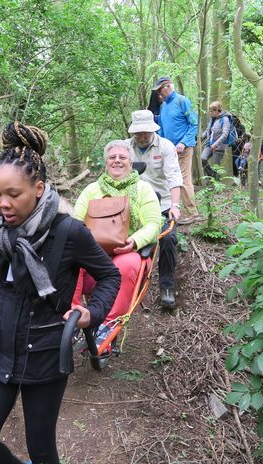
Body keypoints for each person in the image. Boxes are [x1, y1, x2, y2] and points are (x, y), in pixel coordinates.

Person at [0, 122, 121, 464]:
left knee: (42, 448)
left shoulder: (69, 232)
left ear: (39, 189)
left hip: (45, 352)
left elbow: (110, 275)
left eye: (13, 194)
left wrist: (93, 311)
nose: (3, 203)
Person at [72, 140, 162, 322]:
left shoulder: (143, 189)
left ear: (130, 162)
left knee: (126, 265)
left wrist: (135, 241)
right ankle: (72, 316)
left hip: (127, 250)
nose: (117, 161)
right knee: (69, 262)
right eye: (112, 157)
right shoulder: (91, 190)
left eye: (123, 157)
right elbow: (75, 223)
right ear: (106, 163)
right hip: (92, 252)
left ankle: (106, 325)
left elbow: (154, 223)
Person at [126, 109, 182, 308]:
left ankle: (166, 286)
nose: (141, 136)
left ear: (152, 130)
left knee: (167, 239)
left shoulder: (165, 147)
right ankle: (131, 284)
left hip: (163, 204)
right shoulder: (125, 148)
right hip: (134, 205)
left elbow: (174, 177)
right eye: (137, 133)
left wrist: (174, 205)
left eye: (145, 132)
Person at [151, 76, 202, 225]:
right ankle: (171, 210)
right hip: (168, 149)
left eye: (160, 90)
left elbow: (194, 124)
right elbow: (161, 129)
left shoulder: (182, 101)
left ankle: (192, 213)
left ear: (168, 86)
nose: (159, 94)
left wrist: (184, 143)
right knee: (169, 178)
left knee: (183, 179)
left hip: (183, 148)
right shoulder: (163, 106)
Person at [201, 100, 232, 179]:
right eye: (210, 111)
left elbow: (225, 134)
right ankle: (212, 175)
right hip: (209, 144)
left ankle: (217, 187)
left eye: (212, 111)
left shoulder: (225, 119)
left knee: (216, 166)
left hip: (219, 147)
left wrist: (216, 144)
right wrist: (199, 138)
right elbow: (207, 131)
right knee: (203, 158)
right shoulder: (213, 119)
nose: (210, 113)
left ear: (217, 110)